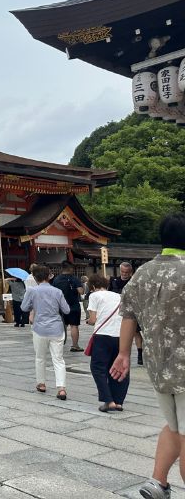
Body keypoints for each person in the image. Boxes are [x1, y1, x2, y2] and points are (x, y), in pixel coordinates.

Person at [110, 214, 185, 499]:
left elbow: (128, 314)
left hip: (158, 366)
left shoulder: (142, 273)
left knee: (176, 426)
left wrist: (123, 354)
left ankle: (158, 483)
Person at [21, 264, 70, 400]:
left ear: (35, 277)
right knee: (58, 359)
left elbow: (24, 307)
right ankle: (61, 388)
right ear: (49, 276)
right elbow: (66, 310)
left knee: (40, 357)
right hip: (56, 328)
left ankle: (41, 383)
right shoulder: (57, 291)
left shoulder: (32, 291)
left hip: (39, 327)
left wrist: (33, 305)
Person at [86, 273, 128, 413]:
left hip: (103, 335)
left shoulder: (94, 296)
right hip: (121, 336)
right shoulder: (118, 296)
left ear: (92, 286)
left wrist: (88, 321)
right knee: (119, 368)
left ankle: (108, 400)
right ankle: (119, 401)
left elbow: (92, 319)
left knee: (98, 368)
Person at [110, 261, 144, 366]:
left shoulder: (134, 282)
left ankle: (140, 354)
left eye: (127, 272)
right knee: (117, 332)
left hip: (132, 311)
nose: (124, 274)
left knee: (136, 332)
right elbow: (109, 294)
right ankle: (118, 353)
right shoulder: (113, 281)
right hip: (116, 310)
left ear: (130, 272)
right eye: (123, 272)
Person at [52, 261, 85, 352]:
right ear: (70, 268)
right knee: (74, 326)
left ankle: (60, 344)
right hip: (73, 305)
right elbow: (81, 292)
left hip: (60, 306)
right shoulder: (74, 279)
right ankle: (75, 345)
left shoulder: (56, 279)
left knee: (63, 325)